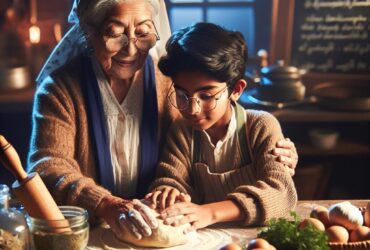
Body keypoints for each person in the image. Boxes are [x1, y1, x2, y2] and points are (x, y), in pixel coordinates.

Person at [27, 0, 297, 241]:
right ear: (90, 32)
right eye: (115, 32)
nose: (130, 48)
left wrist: (275, 149)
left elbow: (219, 103)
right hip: (93, 229)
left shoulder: (172, 80)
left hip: (164, 229)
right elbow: (49, 167)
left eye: (143, 32)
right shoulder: (60, 89)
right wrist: (108, 204)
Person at [147, 22, 298, 233]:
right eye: (182, 95)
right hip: (204, 239)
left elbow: (281, 193)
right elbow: (171, 179)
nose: (192, 109)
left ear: (236, 89)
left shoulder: (260, 126)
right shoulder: (182, 132)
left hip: (257, 239)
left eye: (206, 96)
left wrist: (209, 212)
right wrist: (168, 192)